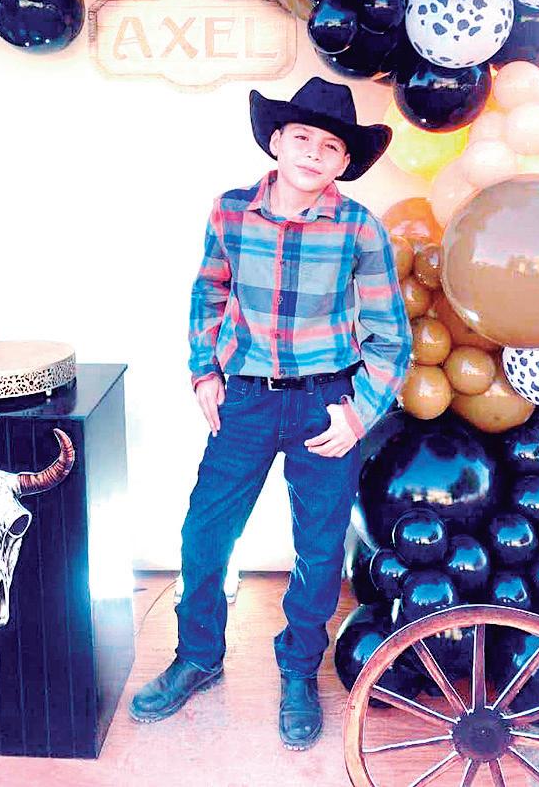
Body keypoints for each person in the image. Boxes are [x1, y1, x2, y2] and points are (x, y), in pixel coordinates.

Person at [129, 76, 412, 749]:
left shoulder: (359, 229)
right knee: (204, 532)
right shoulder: (230, 213)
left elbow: (390, 335)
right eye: (302, 138)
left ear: (345, 162)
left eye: (331, 146)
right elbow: (208, 293)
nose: (314, 152)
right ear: (276, 141)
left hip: (326, 405)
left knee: (318, 548)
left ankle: (298, 668)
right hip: (248, 400)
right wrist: (204, 369)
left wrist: (359, 413)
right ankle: (199, 654)